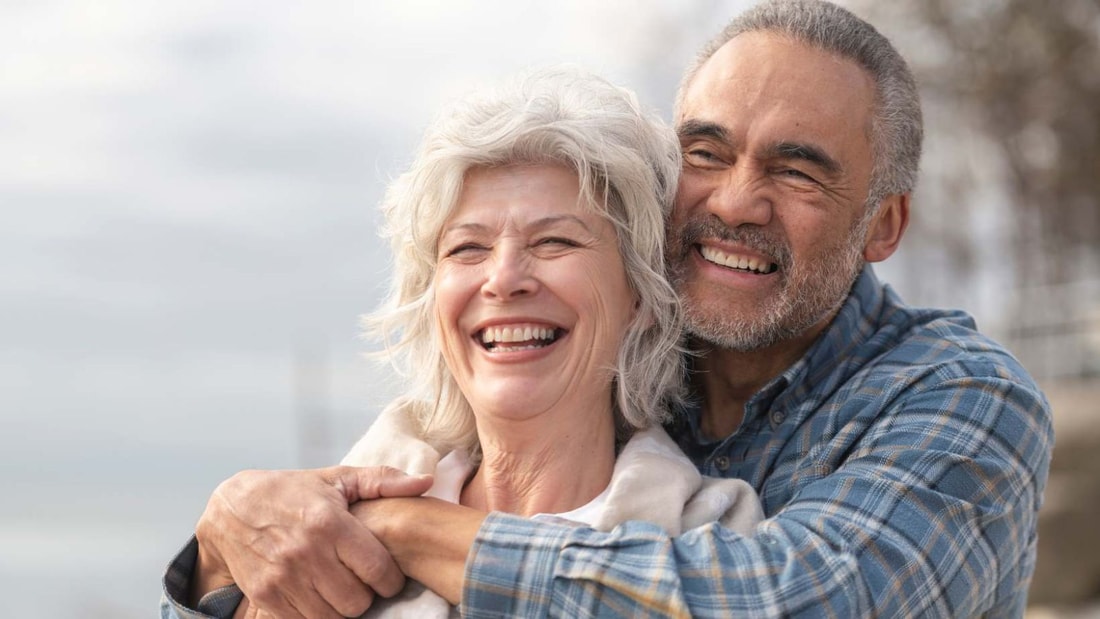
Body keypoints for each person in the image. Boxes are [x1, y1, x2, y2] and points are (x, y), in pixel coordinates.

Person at [163, 1, 1055, 617]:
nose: (737, 202)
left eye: (796, 169)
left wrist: (400, 529)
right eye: (706, 152)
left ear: (884, 224)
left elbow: (800, 601)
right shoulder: (580, 372)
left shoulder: (965, 399)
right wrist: (222, 535)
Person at [162, 67, 766, 619]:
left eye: (555, 242)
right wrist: (212, 564)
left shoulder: (715, 537)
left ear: (638, 291)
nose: (503, 279)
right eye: (467, 248)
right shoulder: (316, 539)